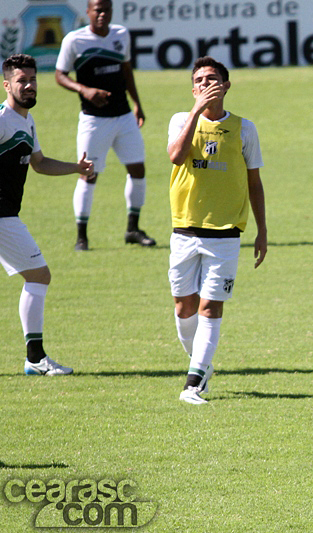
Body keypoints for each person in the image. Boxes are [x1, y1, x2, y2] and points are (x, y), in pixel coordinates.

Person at [167, 56, 267, 404]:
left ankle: (193, 382)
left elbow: (255, 182)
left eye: (212, 79)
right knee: (184, 308)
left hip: (225, 234)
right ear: (193, 88)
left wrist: (262, 230)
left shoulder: (244, 128)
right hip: (183, 231)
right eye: (199, 80)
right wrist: (196, 112)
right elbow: (176, 156)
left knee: (211, 307)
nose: (206, 84)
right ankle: (201, 364)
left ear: (226, 85)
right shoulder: (181, 120)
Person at [1, 54, 94, 375]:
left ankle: (34, 358)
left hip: (7, 213)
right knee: (39, 275)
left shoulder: (26, 120)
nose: (28, 86)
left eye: (32, 80)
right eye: (21, 81)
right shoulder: (1, 119)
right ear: (6, 85)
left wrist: (77, 169)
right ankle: (35, 359)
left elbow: (39, 164)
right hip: (1, 216)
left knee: (38, 276)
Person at [55, 0, 154, 251]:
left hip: (123, 117)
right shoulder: (74, 40)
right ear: (87, 12)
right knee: (88, 174)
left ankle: (133, 229)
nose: (102, 14)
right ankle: (81, 236)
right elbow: (60, 75)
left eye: (106, 9)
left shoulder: (121, 34)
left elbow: (126, 69)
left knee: (138, 170)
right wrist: (84, 90)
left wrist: (137, 103)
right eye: (97, 9)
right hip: (93, 119)